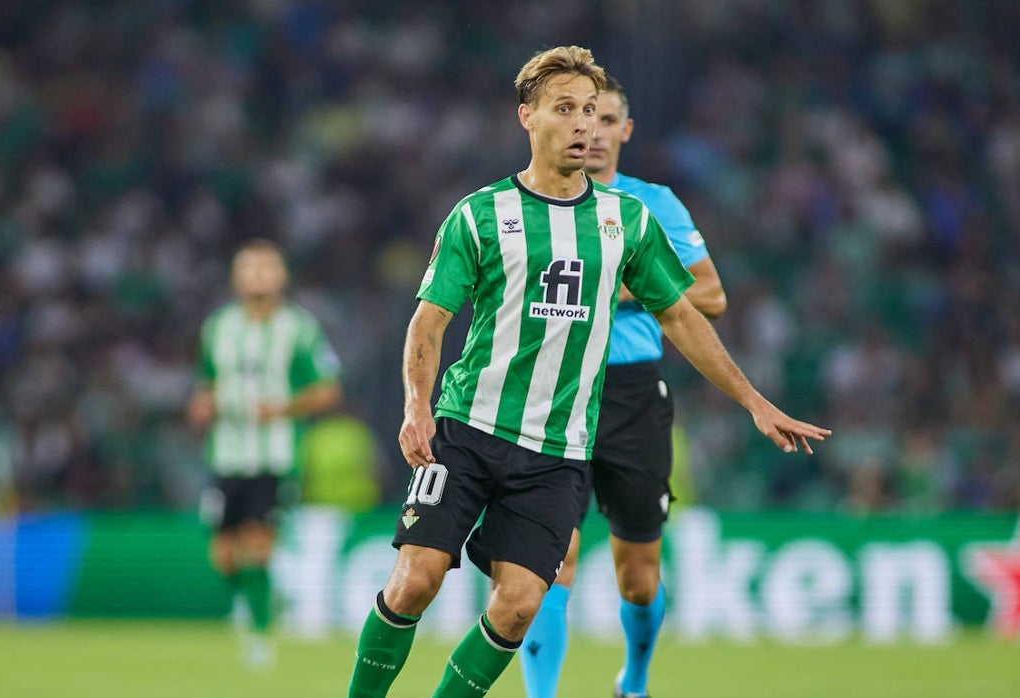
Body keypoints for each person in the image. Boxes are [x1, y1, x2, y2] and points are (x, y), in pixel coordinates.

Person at [345, 45, 830, 698]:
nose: (583, 125)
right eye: (566, 109)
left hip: (558, 449)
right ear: (528, 117)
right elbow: (428, 323)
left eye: (594, 112)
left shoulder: (627, 220)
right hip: (468, 427)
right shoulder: (482, 214)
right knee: (414, 581)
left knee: (518, 604)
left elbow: (685, 316)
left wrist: (753, 400)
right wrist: (415, 405)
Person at [518, 75, 727, 698]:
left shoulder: (651, 205)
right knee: (550, 561)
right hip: (551, 391)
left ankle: (633, 680)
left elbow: (711, 295)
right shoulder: (532, 202)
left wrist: (622, 283)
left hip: (631, 395)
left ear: (625, 131)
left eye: (607, 120)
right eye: (582, 117)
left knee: (637, 575)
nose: (594, 132)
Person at [186, 238, 342, 668]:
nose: (258, 276)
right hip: (226, 454)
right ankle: (256, 601)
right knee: (222, 553)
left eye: (266, 267)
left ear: (281, 276)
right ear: (236, 277)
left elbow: (328, 390)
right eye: (249, 268)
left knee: (257, 544)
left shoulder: (300, 328)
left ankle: (259, 637)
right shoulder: (218, 326)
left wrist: (283, 408)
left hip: (274, 457)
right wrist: (202, 403)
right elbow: (206, 382)